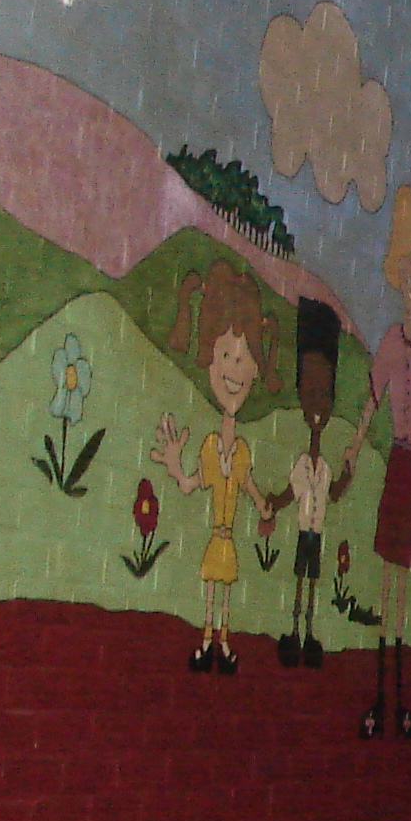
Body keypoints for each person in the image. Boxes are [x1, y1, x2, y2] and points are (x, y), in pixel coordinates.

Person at [152, 261, 281, 674]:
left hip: (228, 538)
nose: (235, 370)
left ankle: (221, 642)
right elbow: (192, 485)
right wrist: (174, 465)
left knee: (224, 590)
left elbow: (251, 489)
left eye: (244, 359)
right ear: (209, 358)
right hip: (217, 538)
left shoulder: (240, 451)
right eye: (226, 354)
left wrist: (265, 508)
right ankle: (206, 640)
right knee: (212, 587)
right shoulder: (210, 447)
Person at [364, 186, 411, 738]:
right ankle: (379, 684)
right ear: (398, 279)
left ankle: (398, 687)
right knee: (388, 573)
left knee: (405, 573)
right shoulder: (392, 342)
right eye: (406, 277)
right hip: (395, 459)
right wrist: (351, 444)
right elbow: (371, 396)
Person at [260, 297, 372, 669]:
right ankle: (295, 628)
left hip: (315, 535)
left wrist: (346, 477)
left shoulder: (322, 468)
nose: (318, 407)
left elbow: (333, 494)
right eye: (311, 396)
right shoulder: (305, 466)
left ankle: (307, 631)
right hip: (305, 535)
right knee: (299, 579)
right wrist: (271, 503)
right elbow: (291, 494)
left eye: (323, 396)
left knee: (309, 582)